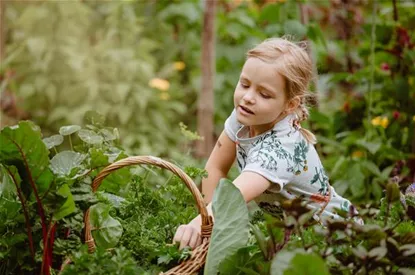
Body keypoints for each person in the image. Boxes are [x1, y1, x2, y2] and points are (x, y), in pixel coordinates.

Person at [173, 37, 359, 250]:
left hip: (336, 238)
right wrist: (206, 219)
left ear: (289, 105)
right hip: (295, 236)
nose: (248, 98)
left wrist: (200, 225)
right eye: (244, 84)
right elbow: (216, 167)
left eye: (264, 94)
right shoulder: (245, 116)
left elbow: (233, 197)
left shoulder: (280, 150)